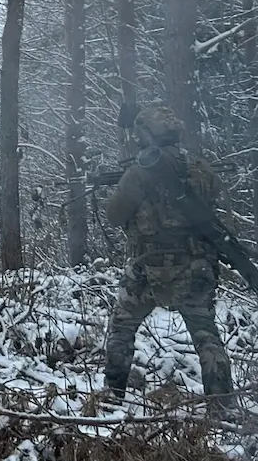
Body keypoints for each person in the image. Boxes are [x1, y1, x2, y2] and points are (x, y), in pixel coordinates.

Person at [101, 104, 235, 411]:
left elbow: (114, 215)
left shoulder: (138, 173)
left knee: (122, 327)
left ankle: (112, 399)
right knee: (207, 336)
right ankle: (224, 407)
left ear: (147, 135)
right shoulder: (199, 166)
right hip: (196, 266)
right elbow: (212, 193)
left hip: (147, 268)